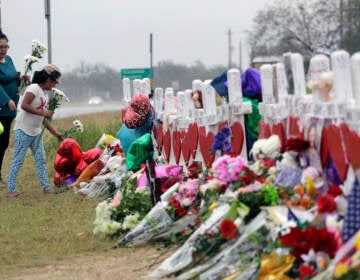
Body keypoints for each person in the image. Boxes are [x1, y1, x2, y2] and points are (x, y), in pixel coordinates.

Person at [6, 64, 63, 197]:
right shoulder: (34, 88)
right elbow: (24, 105)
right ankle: (11, 189)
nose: (54, 86)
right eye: (54, 82)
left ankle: (46, 187)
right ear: (48, 79)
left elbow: (43, 119)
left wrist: (56, 133)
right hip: (23, 130)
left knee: (41, 160)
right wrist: (44, 112)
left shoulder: (45, 95)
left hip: (36, 132)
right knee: (18, 160)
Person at [0, 29, 30, 188]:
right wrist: (6, 100)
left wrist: (22, 79)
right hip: (1, 108)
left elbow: (13, 79)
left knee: (3, 143)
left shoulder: (9, 60)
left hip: (9, 111)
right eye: (0, 47)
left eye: (5, 47)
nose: (3, 50)